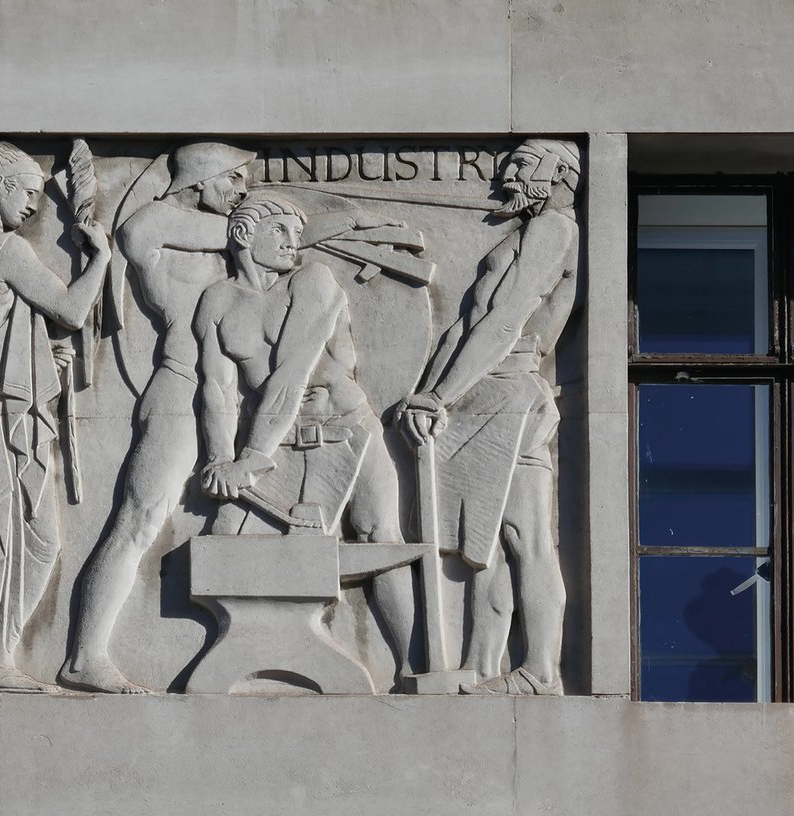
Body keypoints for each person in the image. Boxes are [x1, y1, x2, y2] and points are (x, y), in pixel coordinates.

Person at [193, 191, 417, 686]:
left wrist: (249, 457)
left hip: (343, 428)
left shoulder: (313, 282)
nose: (295, 243)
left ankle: (410, 668)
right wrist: (217, 458)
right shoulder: (217, 301)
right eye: (281, 231)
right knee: (222, 541)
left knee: (378, 535)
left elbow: (292, 370)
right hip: (276, 441)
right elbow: (217, 389)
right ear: (243, 235)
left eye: (299, 234)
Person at [59, 141, 255, 693]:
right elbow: (137, 233)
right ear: (201, 176)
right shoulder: (151, 228)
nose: (244, 194)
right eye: (235, 180)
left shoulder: (237, 234)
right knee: (139, 519)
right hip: (184, 390)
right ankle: (84, 656)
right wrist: (256, 229)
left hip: (249, 399)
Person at [397, 139, 581, 695]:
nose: (508, 174)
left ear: (559, 173)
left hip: (510, 390)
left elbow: (506, 319)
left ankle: (541, 670)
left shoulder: (555, 229)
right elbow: (464, 323)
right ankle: (481, 666)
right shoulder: (525, 232)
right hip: (477, 393)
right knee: (491, 541)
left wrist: (441, 396)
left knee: (526, 537)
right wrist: (427, 394)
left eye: (522, 164)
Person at [0, 137, 110, 692]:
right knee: (19, 532)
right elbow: (71, 311)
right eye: (29, 192)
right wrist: (100, 255)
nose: (33, 205)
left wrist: (38, 355)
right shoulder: (6, 249)